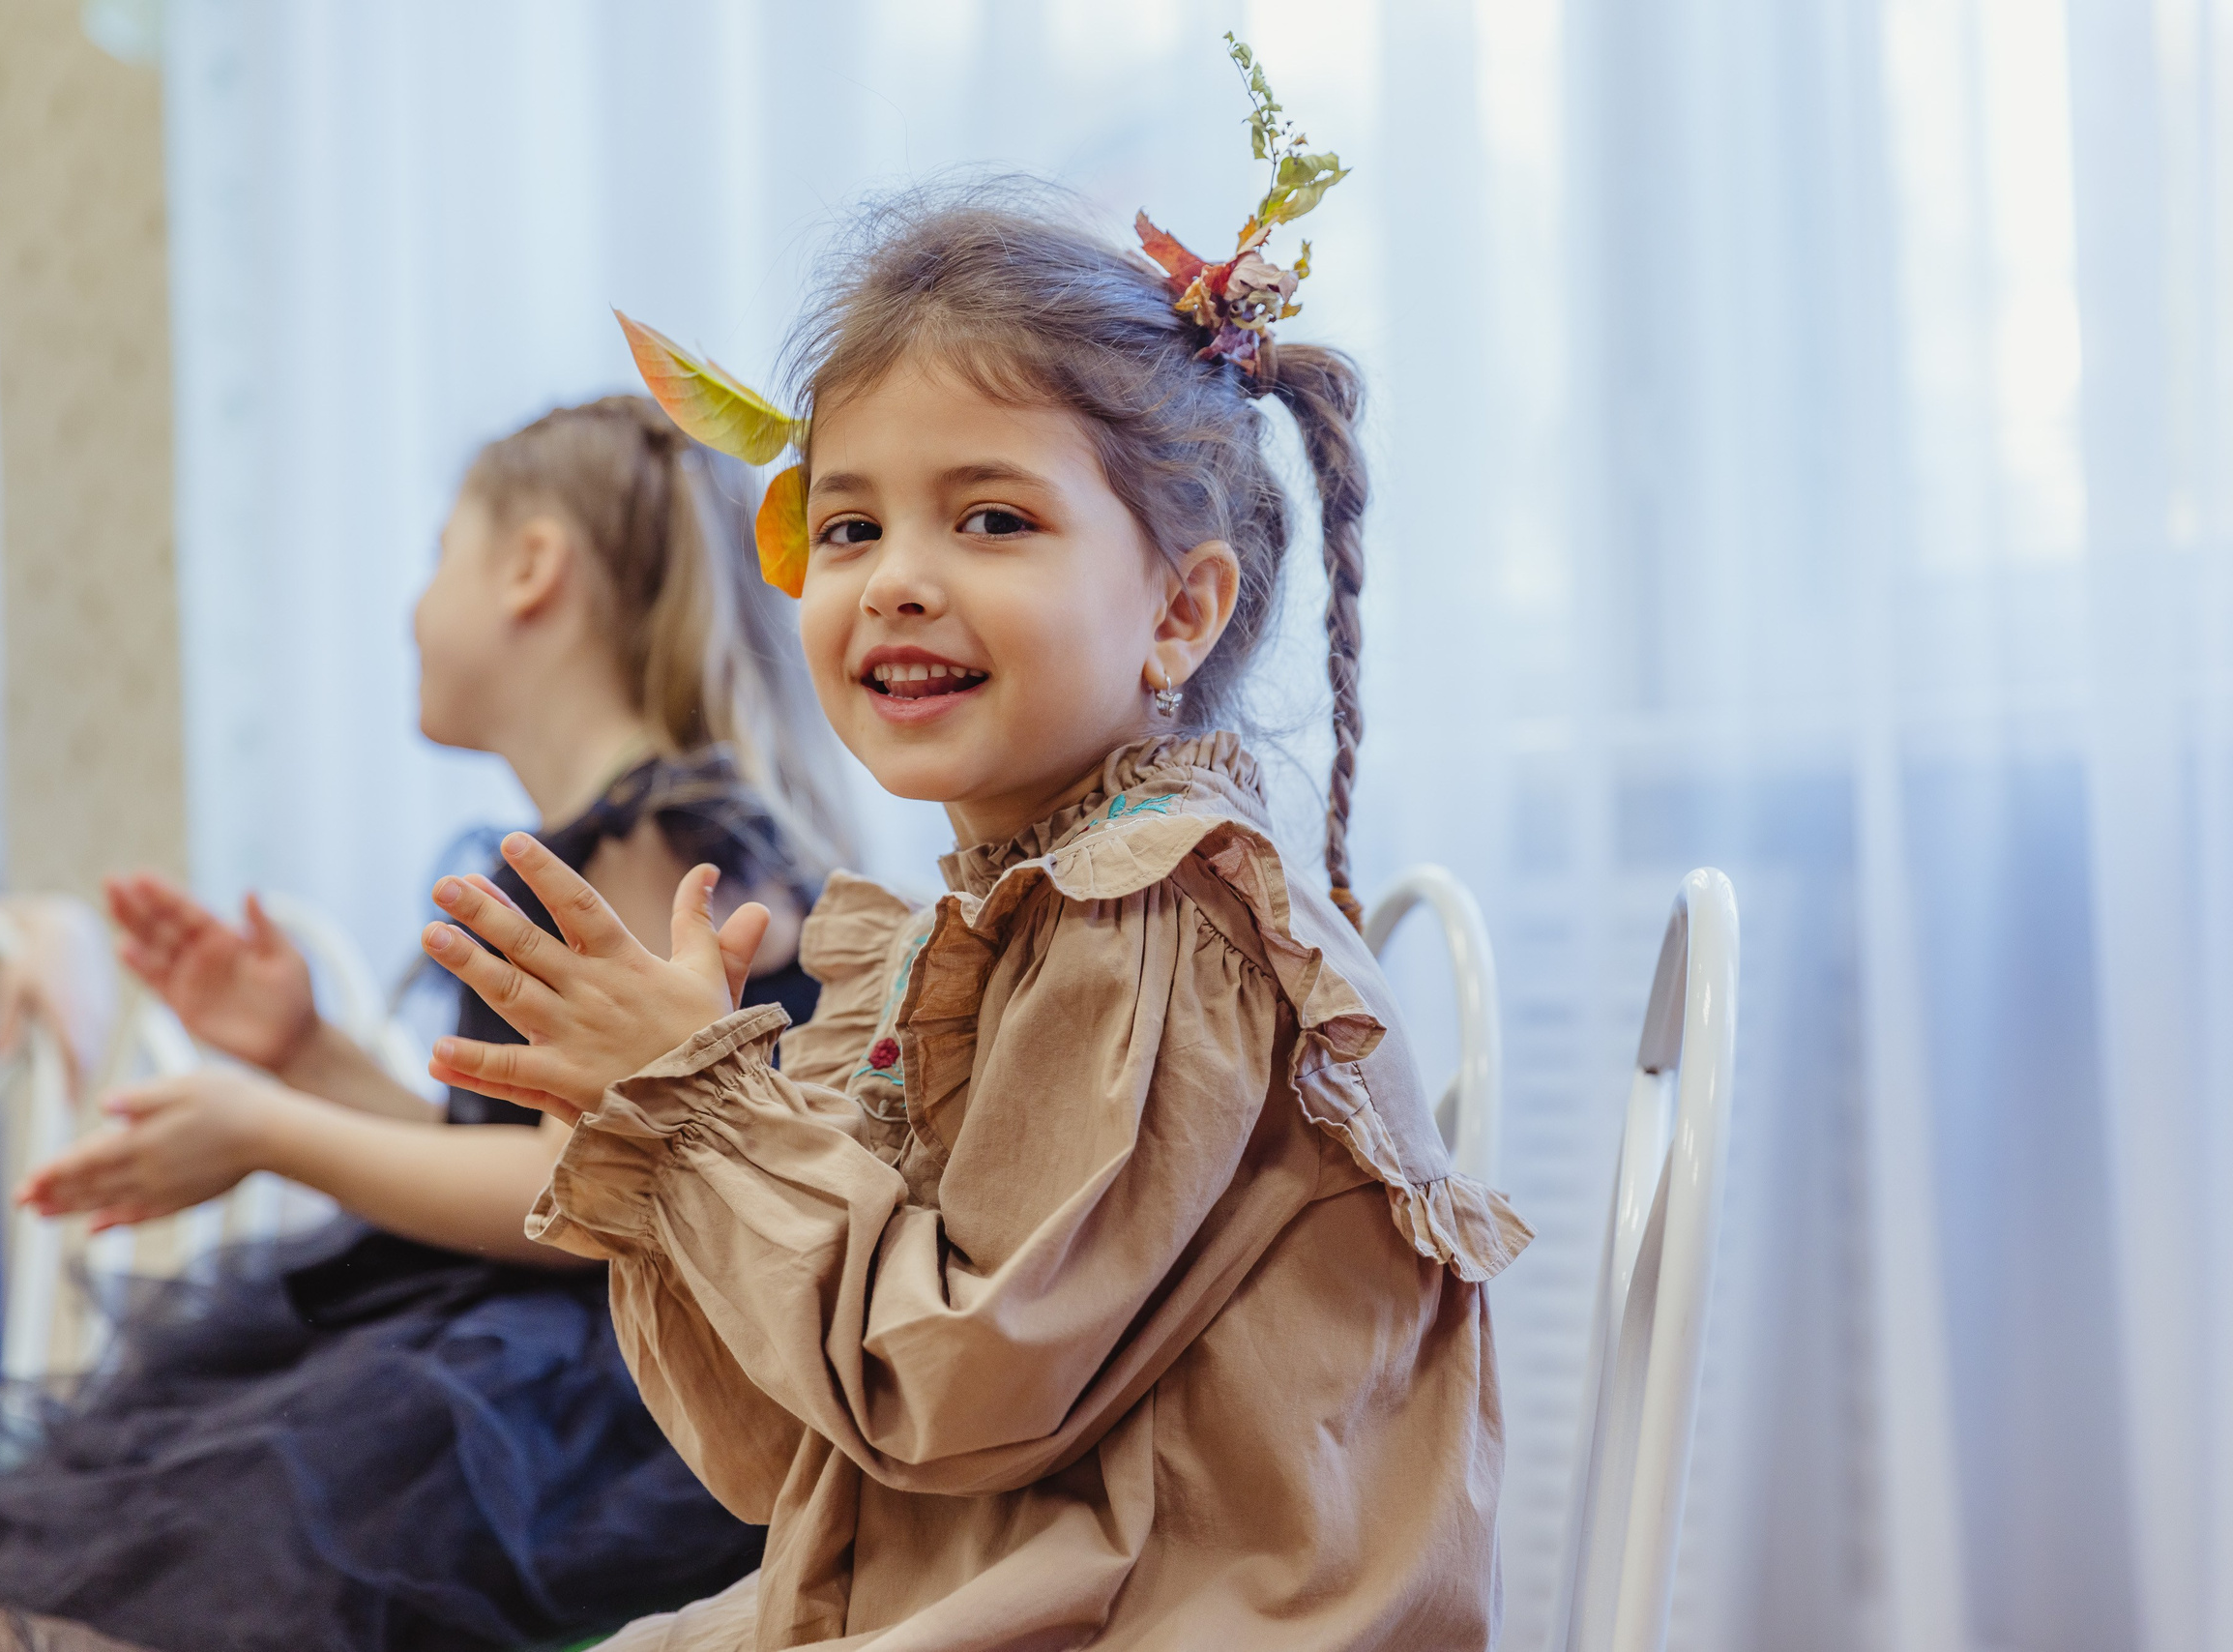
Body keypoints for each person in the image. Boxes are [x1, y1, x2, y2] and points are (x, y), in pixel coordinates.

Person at [422, 48, 1533, 1652]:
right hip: (980, 1574)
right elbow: (785, 1458)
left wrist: (708, 1113)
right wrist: (658, 1139)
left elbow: (947, 1390)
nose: (895, 579)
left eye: (992, 519)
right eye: (854, 524)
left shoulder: (1157, 909)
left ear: (1178, 608)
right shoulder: (995, 922)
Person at [0, 397, 850, 1652]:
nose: (414, 606)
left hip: (609, 1414)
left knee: (158, 1574)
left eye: (440, 551)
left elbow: (596, 1192)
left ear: (531, 569)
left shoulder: (669, 843)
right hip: (512, 1355)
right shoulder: (607, 836)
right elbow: (521, 1160)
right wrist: (309, 1057)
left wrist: (272, 1127)